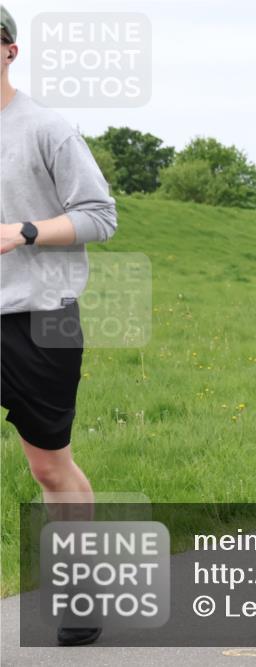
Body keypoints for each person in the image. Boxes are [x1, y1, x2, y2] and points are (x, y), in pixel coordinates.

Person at [1, 5, 117, 645]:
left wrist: (23, 232)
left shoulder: (46, 129)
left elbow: (100, 215)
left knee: (49, 467)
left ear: (9, 51)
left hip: (40, 318)